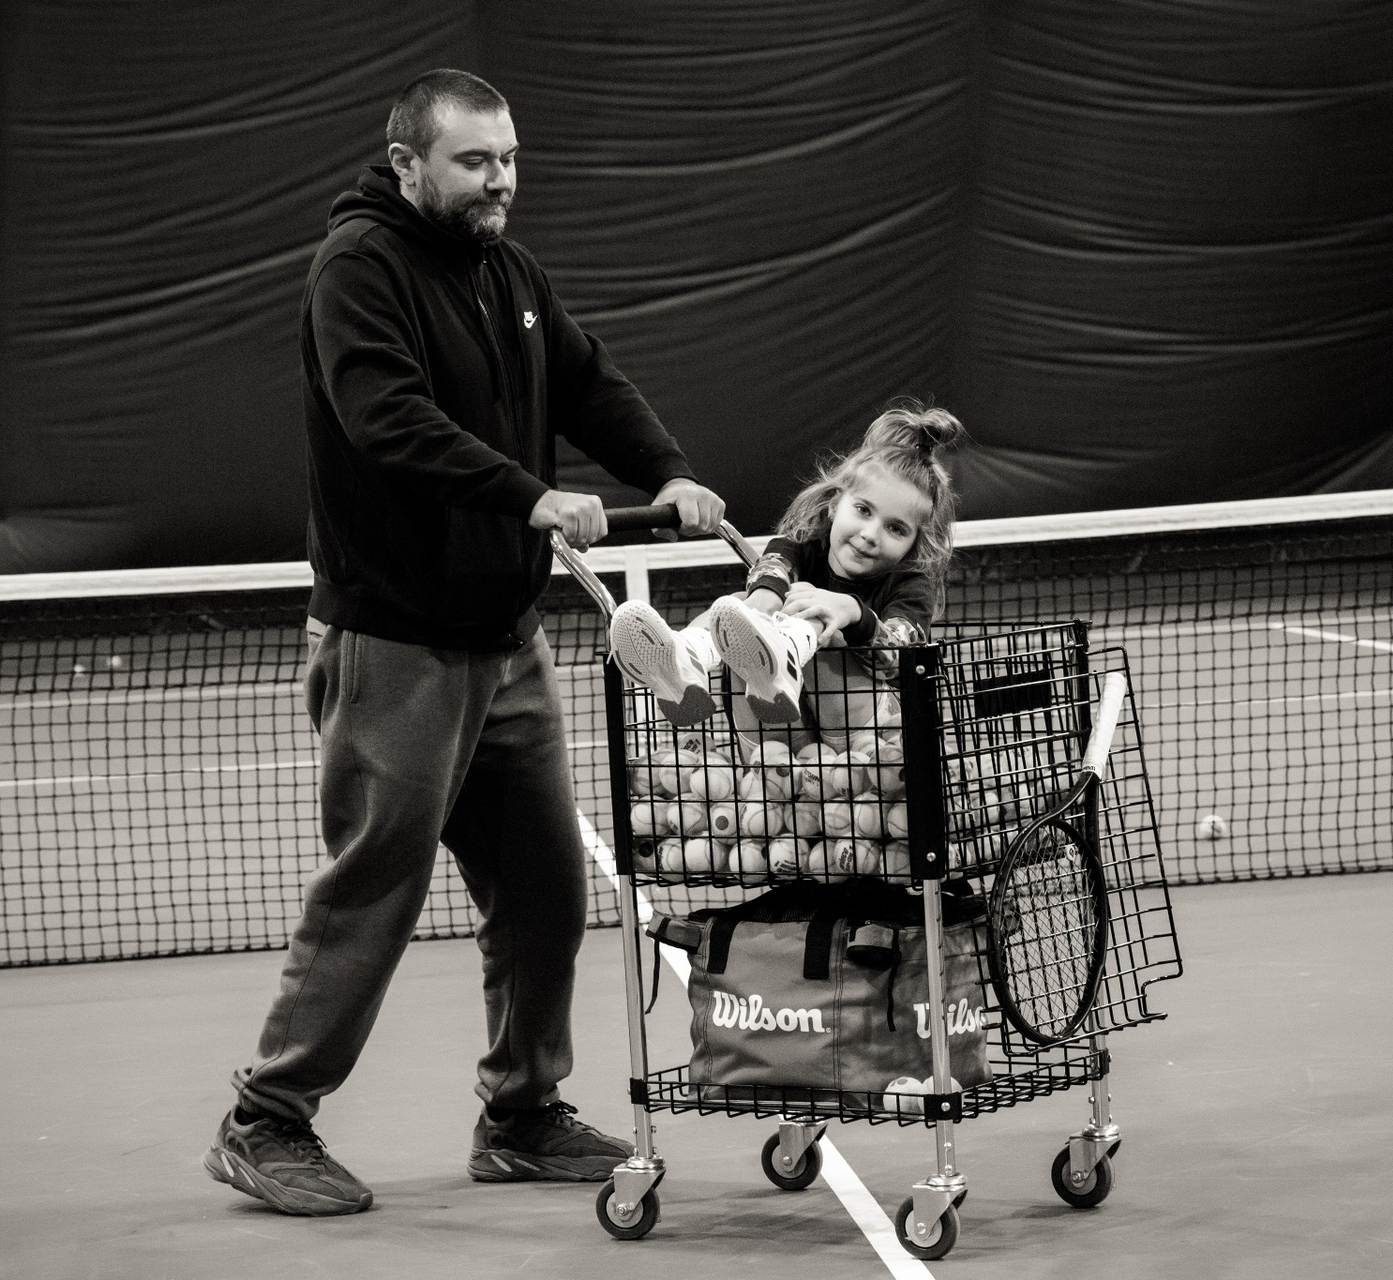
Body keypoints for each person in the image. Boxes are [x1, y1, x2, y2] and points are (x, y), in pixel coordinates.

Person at [202, 69, 725, 1217]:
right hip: (394, 640)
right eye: (475, 161)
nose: (500, 181)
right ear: (407, 164)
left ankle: (522, 1113)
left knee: (545, 886)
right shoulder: (357, 269)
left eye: (510, 159)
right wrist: (528, 494)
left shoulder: (509, 270)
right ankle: (266, 1118)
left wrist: (668, 470)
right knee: (374, 886)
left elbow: (584, 380)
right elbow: (386, 419)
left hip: (505, 638)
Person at [609, 403, 962, 743]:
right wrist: (762, 602)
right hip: (789, 751)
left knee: (818, 614)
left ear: (915, 542)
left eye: (896, 529)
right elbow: (773, 569)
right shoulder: (800, 548)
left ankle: (786, 652)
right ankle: (687, 658)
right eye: (863, 510)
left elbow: (900, 658)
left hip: (878, 744)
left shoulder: (912, 586)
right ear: (834, 504)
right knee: (740, 608)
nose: (870, 534)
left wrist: (854, 614)